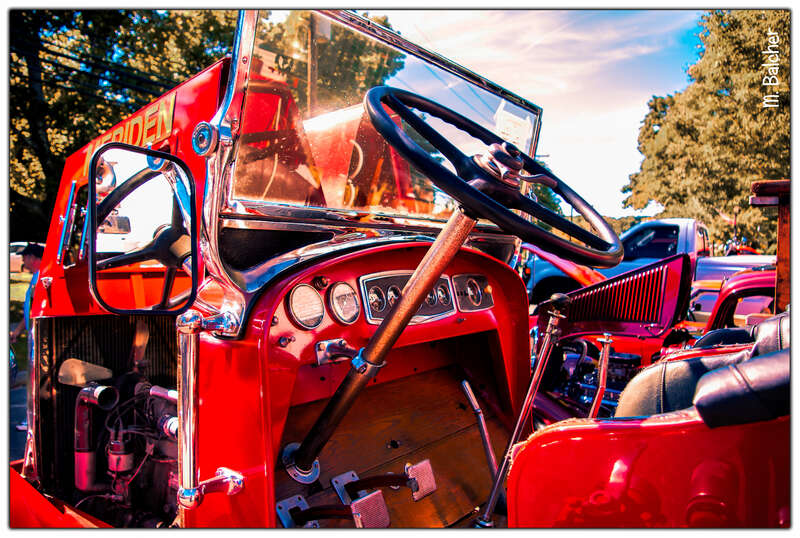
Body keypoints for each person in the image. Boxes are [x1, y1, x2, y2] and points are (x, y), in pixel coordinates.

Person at [9, 242, 44, 431]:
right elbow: (29, 312)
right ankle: (31, 419)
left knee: (35, 380)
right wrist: (17, 332)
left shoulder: (40, 278)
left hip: (38, 337)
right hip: (33, 334)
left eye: (25, 257)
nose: (23, 261)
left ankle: (31, 420)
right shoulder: (35, 278)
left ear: (33, 258)